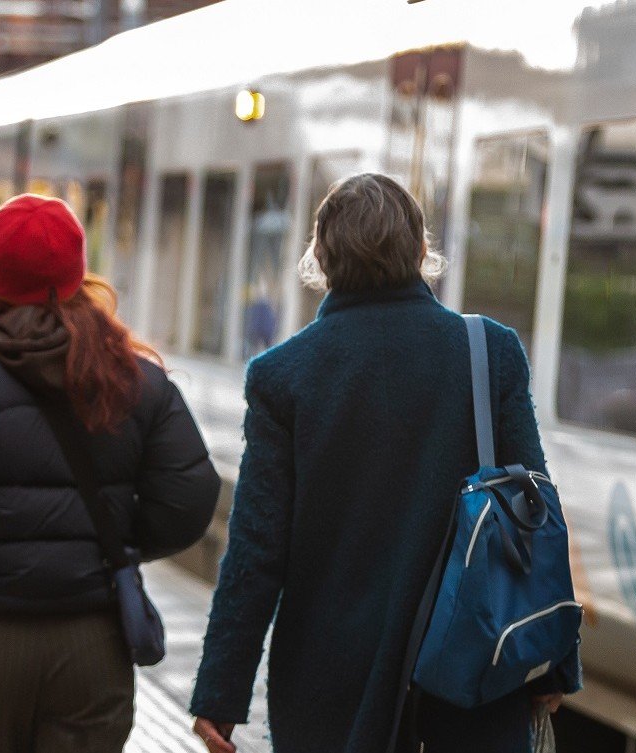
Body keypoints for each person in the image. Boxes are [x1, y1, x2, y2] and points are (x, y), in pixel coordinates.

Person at [190, 174, 576, 753]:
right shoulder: (488, 352)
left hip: (329, 685)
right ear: (422, 252)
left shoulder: (283, 376)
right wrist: (551, 663)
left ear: (319, 258)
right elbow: (534, 513)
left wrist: (222, 692)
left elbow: (256, 550)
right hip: (472, 671)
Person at [0, 194, 220, 752]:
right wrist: (114, 539)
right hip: (92, 638)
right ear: (77, 273)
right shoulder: (138, 382)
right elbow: (189, 498)